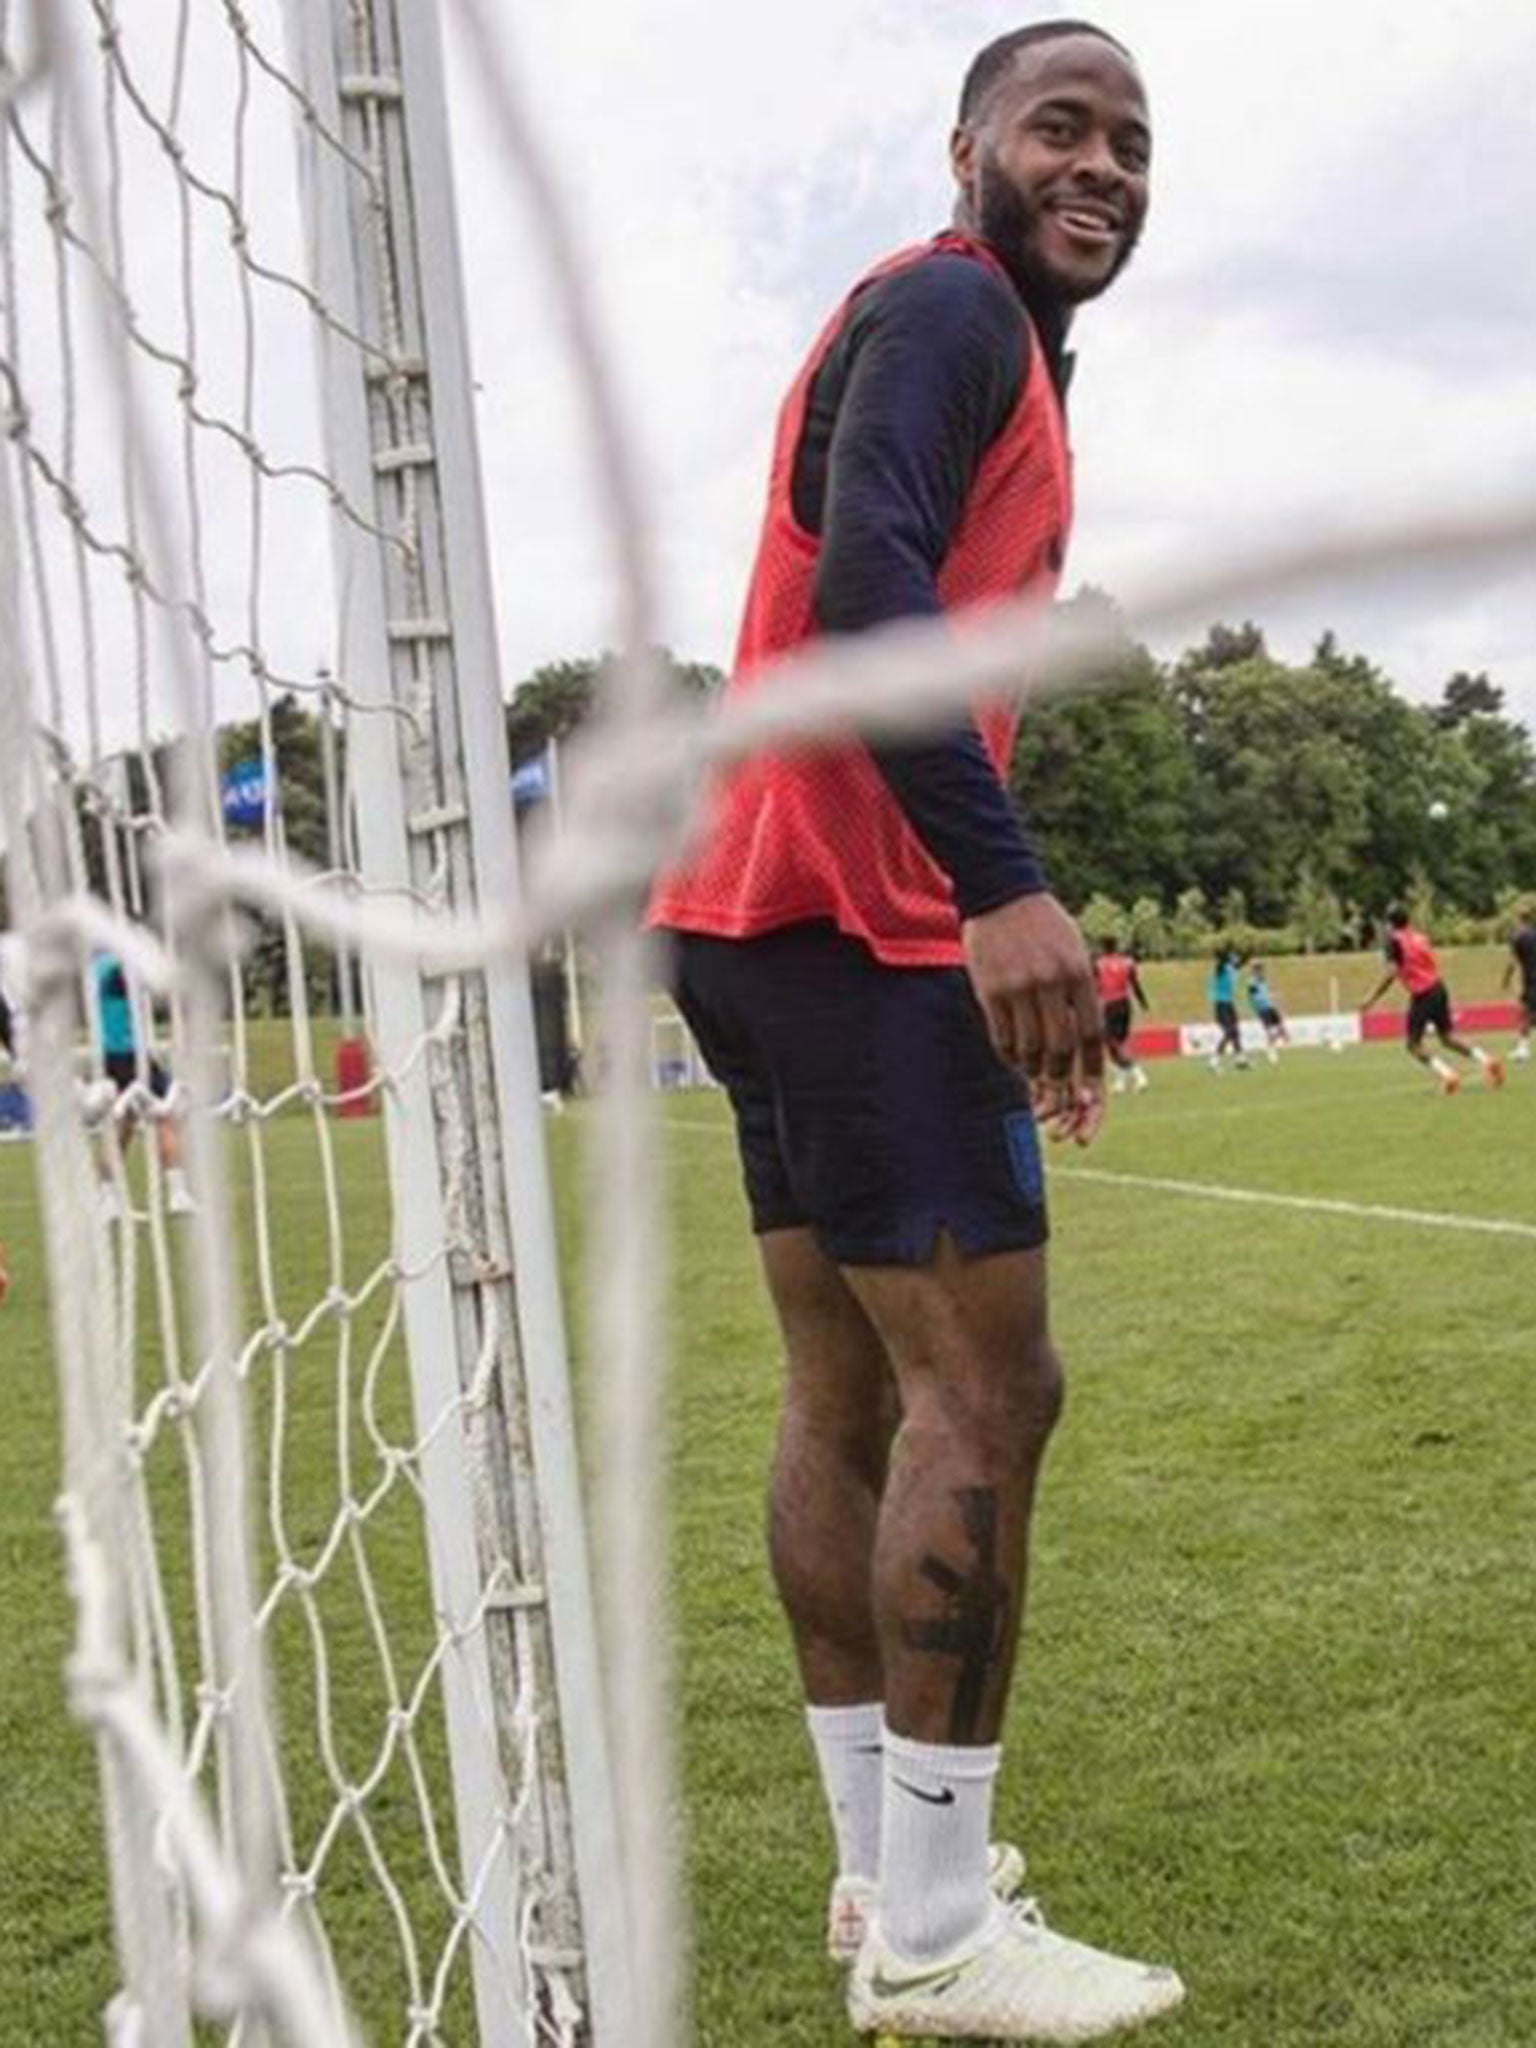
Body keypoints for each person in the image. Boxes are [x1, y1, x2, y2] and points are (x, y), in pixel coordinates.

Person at [649, 21, 1182, 2042]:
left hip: (749, 905)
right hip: (861, 919)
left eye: (1136, 146)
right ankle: (949, 1932)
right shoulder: (953, 306)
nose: (1108, 168)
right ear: (965, 145)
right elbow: (871, 587)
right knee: (993, 1389)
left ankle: (894, 1880)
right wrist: (997, 884)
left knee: (846, 1395)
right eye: (1067, 125)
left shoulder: (982, 343)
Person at [92, 950, 194, 1215]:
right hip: (129, 1053)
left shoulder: (97, 965)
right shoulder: (115, 966)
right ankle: (177, 1193)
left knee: (123, 1125)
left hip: (112, 1052)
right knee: (166, 1114)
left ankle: (106, 1196)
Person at [1360, 907, 1505, 1094]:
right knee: (1447, 1037)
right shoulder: (1420, 937)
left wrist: (1371, 998)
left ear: (1390, 924)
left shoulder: (1394, 941)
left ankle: (1448, 1075)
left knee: (1413, 1045)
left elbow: (1392, 973)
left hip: (1422, 993)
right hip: (1438, 986)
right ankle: (1488, 1061)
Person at [1095, 937, 1150, 1092]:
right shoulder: (1127, 962)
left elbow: (1095, 987)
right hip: (1125, 1005)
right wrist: (1143, 1003)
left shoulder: (1098, 964)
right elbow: (1135, 984)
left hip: (1109, 1005)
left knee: (1112, 1043)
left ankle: (1138, 1074)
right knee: (1119, 1042)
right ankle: (1120, 1082)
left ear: (1103, 947)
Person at [1206, 944, 1249, 1072]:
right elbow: (1220, 962)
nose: (1236, 959)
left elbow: (1243, 960)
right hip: (1220, 1004)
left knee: (1236, 1031)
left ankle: (1240, 1060)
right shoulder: (1222, 968)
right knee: (1229, 1032)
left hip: (1229, 1003)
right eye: (1234, 957)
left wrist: (1250, 949)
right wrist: (1222, 953)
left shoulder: (1233, 969)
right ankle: (1214, 1060)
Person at [1503, 906, 1535, 1063]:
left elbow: (1512, 962)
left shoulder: (1517, 937)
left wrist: (1506, 980)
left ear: (1518, 918)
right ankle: (1522, 1048)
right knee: (1527, 1014)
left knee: (1525, 1014)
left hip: (1532, 980)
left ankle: (1522, 1051)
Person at [1245, 959, 1290, 1064]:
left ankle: (1271, 1046)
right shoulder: (1252, 982)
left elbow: (1264, 992)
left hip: (1269, 1007)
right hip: (1262, 1009)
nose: (1260, 970)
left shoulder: (1262, 979)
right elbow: (1253, 996)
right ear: (1253, 970)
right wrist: (1255, 1007)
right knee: (1270, 1032)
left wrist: (1273, 997)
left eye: (1260, 968)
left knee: (1283, 1030)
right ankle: (1270, 1051)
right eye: (1257, 969)